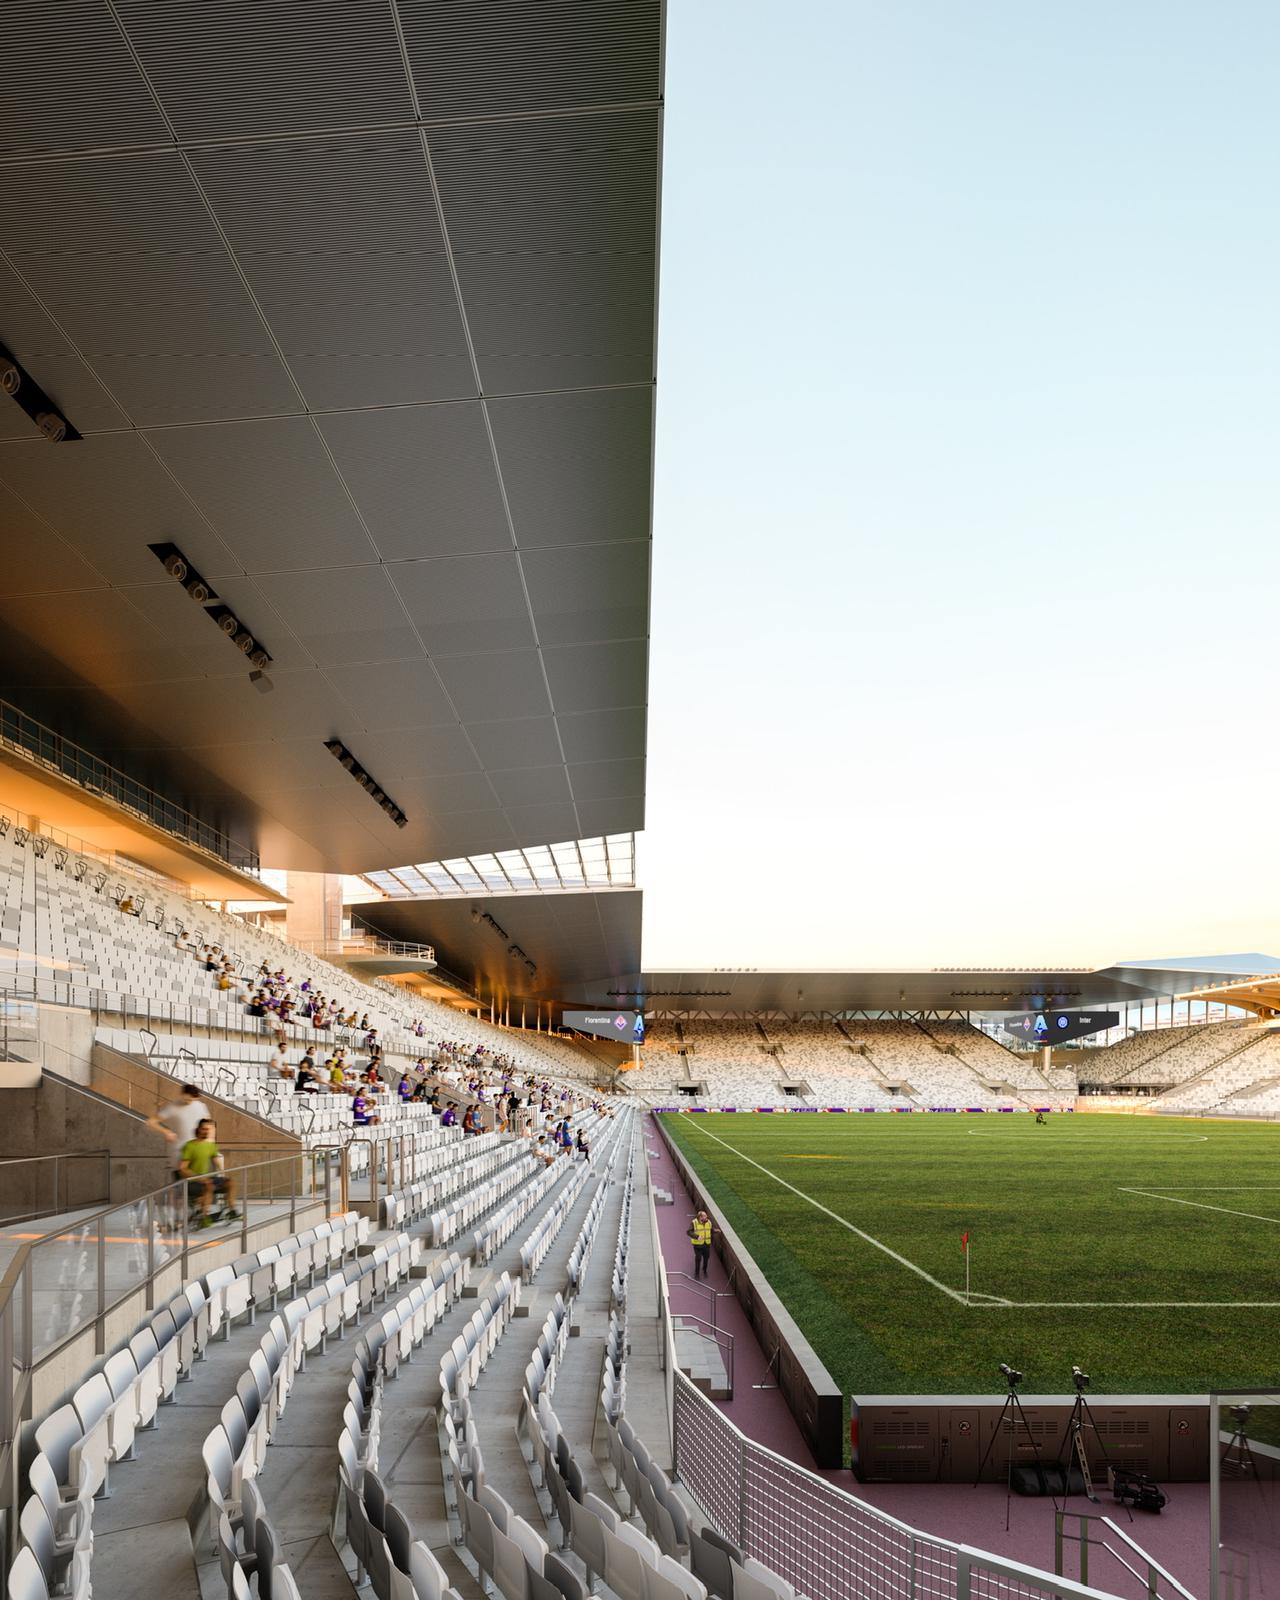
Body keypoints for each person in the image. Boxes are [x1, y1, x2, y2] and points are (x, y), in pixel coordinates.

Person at [178, 1119, 239, 1225]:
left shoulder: (210, 1145)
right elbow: (182, 1168)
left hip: (206, 1178)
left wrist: (223, 1171)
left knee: (230, 1182)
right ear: (198, 1129)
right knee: (209, 1185)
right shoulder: (189, 1146)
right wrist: (198, 1178)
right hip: (191, 1181)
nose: (206, 1132)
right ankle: (204, 1217)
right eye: (204, 1129)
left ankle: (232, 1211)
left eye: (208, 1129)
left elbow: (217, 1160)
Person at [147, 1084, 211, 1176]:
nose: (189, 1102)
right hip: (180, 1151)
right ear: (182, 1094)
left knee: (200, 1184)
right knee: (183, 1183)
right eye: (187, 1099)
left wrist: (209, 1141)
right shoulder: (172, 1107)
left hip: (198, 1150)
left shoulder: (201, 1106)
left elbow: (209, 1125)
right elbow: (151, 1122)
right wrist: (166, 1132)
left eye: (192, 1100)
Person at [689, 1210, 713, 1279]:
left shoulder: (709, 1222)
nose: (706, 1216)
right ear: (700, 1217)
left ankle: (704, 1270)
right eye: (705, 1216)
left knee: (706, 1258)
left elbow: (710, 1230)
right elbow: (689, 1232)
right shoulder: (694, 1223)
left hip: (706, 1244)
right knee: (698, 1258)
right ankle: (696, 1274)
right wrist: (697, 1236)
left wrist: (715, 1231)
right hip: (697, 1245)